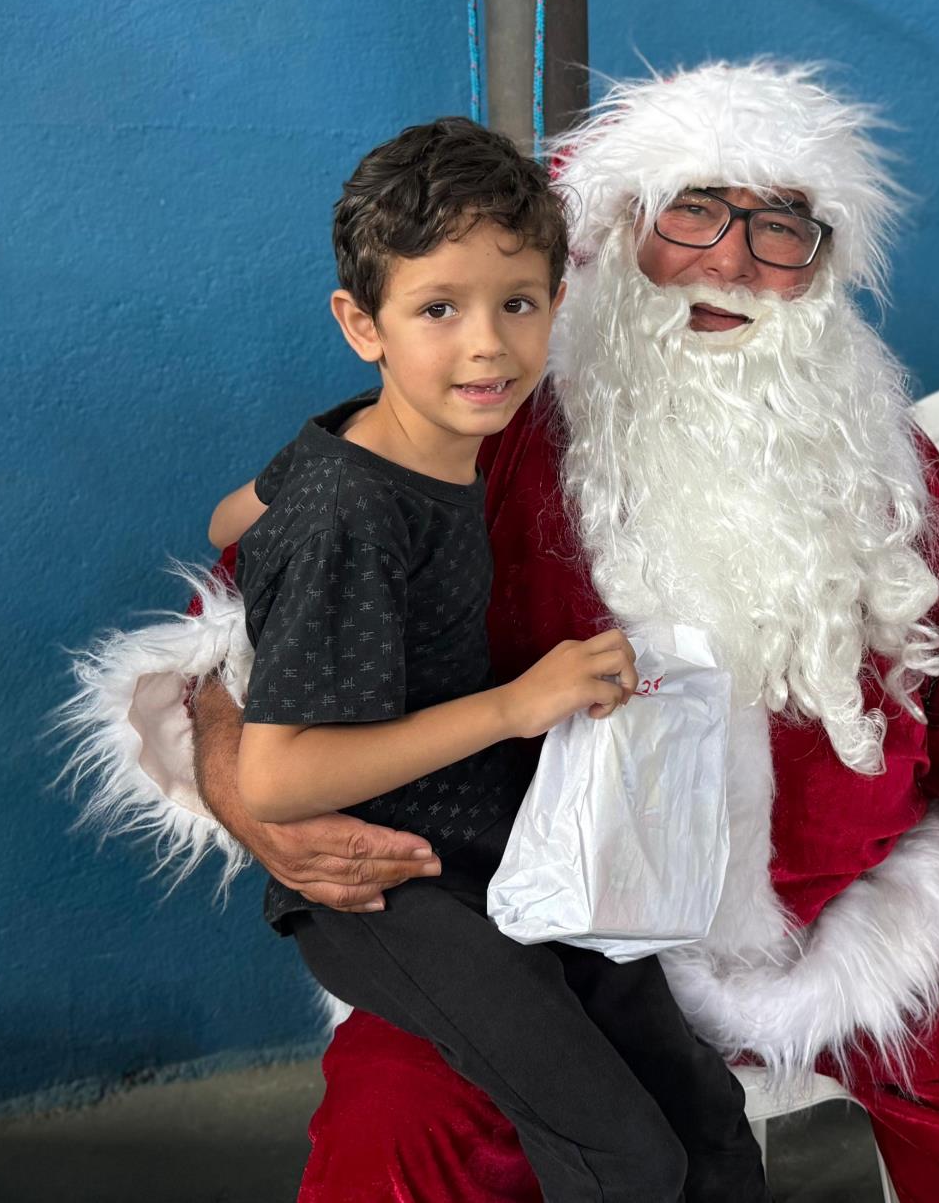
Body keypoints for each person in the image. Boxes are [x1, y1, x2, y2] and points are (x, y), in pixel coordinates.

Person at [65, 60, 939, 1201]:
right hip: (552, 914)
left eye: (784, 226)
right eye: (694, 210)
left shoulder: (880, 454)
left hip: (854, 906)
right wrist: (240, 778)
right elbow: (238, 614)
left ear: (822, 267)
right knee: (403, 1134)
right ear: (614, 232)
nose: (732, 257)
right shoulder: (493, 425)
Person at [219, 115, 768, 1203]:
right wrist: (521, 702)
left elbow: (231, 517)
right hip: (396, 886)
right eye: (438, 309)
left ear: (557, 305)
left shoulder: (394, 441)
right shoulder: (355, 508)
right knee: (623, 1153)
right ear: (359, 322)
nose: (487, 345)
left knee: (703, 1115)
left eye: (516, 303)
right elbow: (274, 778)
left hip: (497, 839)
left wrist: (272, 522)